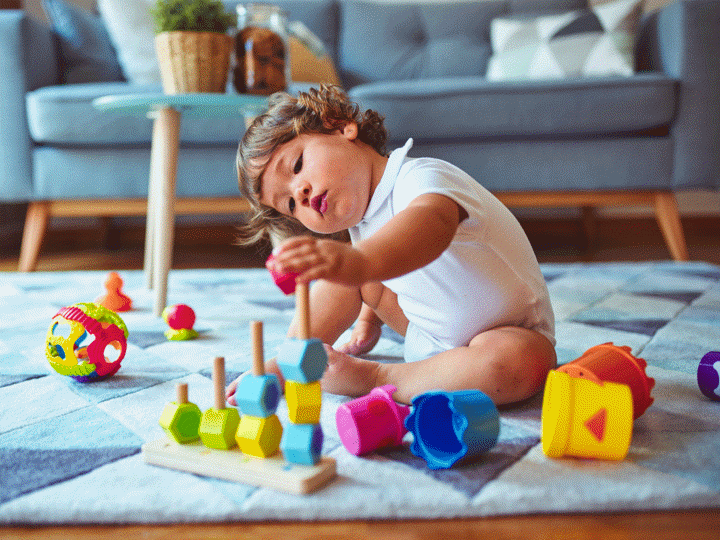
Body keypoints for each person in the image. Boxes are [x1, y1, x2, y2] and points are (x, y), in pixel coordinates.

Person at [227, 85, 556, 407]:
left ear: (342, 128)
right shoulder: (361, 229)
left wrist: (357, 262)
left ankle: (377, 378)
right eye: (289, 205)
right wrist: (370, 317)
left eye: (297, 165)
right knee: (341, 275)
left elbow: (428, 228)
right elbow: (381, 268)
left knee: (516, 364)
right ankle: (293, 358)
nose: (299, 193)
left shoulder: (422, 176)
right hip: (428, 339)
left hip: (509, 334)